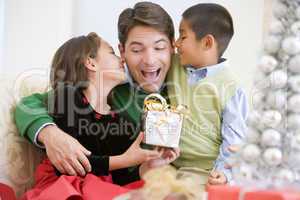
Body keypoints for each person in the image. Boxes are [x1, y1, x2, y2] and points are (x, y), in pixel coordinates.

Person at [15, 1, 238, 188]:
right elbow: (31, 103)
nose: (149, 60)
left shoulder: (191, 73)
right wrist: (50, 133)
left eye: (159, 48)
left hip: (208, 176)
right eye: (137, 49)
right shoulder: (113, 90)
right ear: (122, 52)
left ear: (173, 46)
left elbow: (232, 110)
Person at [21, 32, 178, 199]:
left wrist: (148, 165)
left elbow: (120, 178)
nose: (122, 59)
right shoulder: (68, 97)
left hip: (103, 188)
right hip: (68, 184)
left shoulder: (120, 119)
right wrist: (126, 159)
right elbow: (71, 165)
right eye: (112, 52)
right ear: (90, 62)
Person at [166, 3, 248, 190]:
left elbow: (234, 140)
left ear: (207, 42)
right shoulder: (175, 65)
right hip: (170, 166)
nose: (176, 43)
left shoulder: (231, 87)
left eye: (183, 36)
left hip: (205, 172)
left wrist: (223, 173)